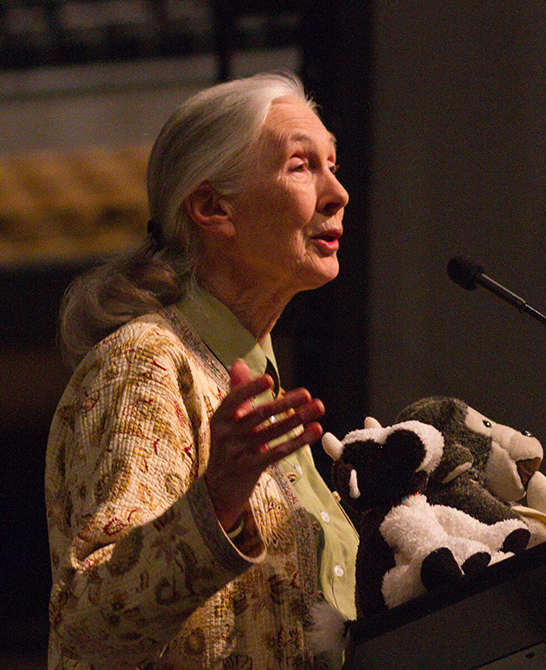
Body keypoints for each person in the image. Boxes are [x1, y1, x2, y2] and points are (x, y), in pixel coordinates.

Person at [45, 71, 358, 670]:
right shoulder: (145, 363)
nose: (337, 191)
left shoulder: (249, 381)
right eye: (301, 165)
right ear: (213, 206)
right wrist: (217, 497)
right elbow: (91, 623)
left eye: (333, 164)